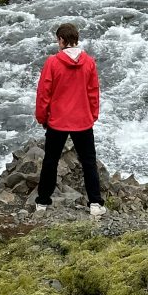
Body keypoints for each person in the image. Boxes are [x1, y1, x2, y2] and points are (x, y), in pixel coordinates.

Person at [34, 22, 106, 217]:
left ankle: (42, 202)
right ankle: (95, 203)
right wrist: (93, 115)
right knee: (89, 162)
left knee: (51, 160)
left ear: (61, 40)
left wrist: (42, 117)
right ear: (76, 40)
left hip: (57, 121)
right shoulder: (89, 62)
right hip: (83, 120)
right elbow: (93, 92)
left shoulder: (52, 62)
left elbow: (44, 94)